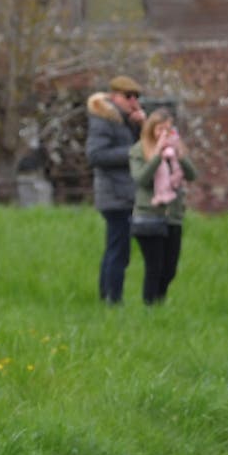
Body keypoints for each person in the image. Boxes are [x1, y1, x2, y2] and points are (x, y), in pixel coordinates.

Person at [129, 108, 198, 306]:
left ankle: (159, 302)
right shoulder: (139, 150)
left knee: (170, 269)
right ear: (151, 130)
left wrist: (180, 155)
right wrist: (157, 155)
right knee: (154, 267)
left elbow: (192, 175)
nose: (164, 134)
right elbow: (141, 179)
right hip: (149, 216)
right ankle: (150, 308)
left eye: (168, 130)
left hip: (172, 216)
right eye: (160, 129)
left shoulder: (174, 153)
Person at [86, 76, 145, 304]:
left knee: (118, 248)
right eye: (128, 96)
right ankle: (112, 299)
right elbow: (96, 155)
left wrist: (142, 124)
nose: (133, 101)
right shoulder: (104, 120)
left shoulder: (125, 121)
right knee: (118, 251)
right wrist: (133, 152)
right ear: (114, 96)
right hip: (114, 195)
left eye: (136, 97)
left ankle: (109, 297)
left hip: (125, 194)